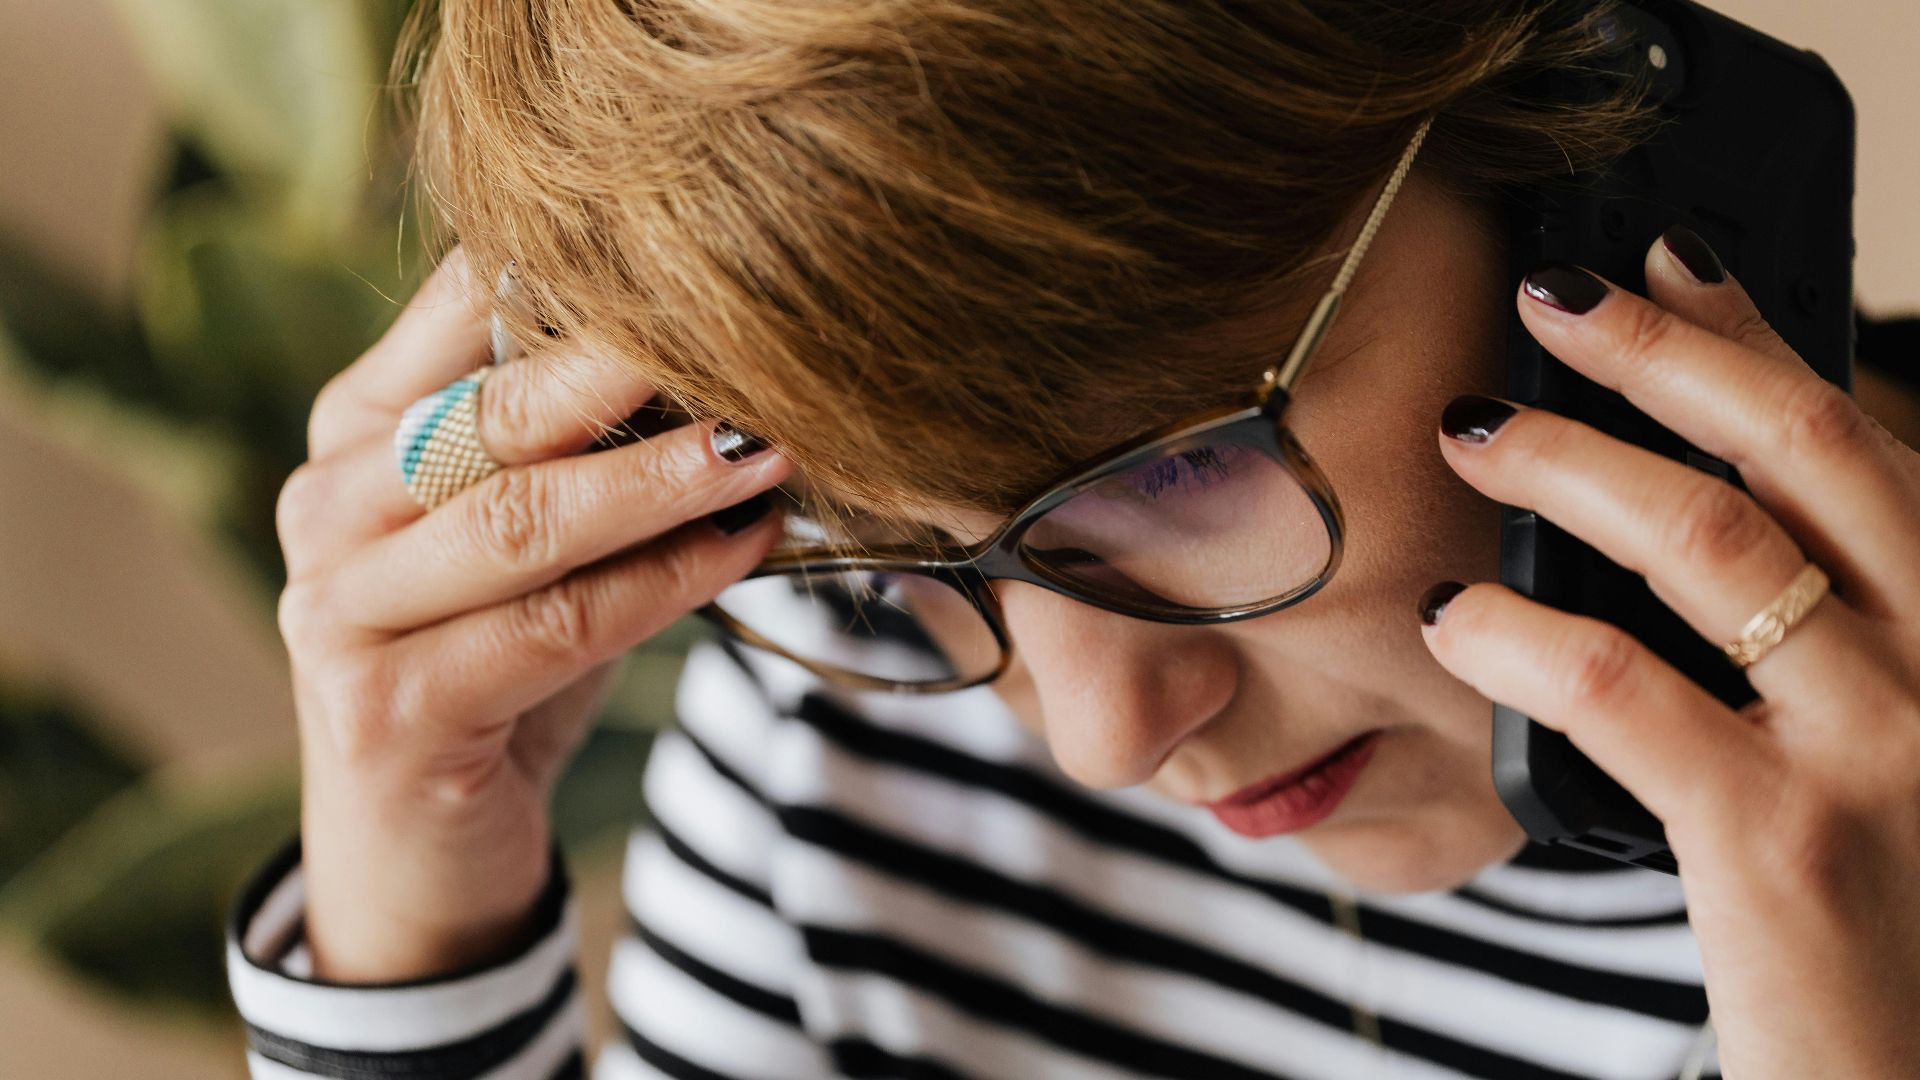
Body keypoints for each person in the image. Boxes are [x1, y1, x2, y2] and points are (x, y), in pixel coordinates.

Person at [226, 1, 1920, 1077]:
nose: (1104, 738)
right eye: (887, 540)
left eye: (1177, 473)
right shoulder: (859, 715)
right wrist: (410, 942)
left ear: (1603, 154)